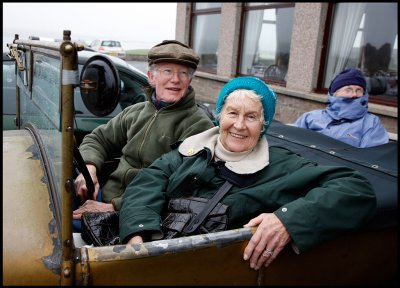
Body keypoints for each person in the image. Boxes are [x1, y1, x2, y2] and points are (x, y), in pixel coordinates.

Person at [119, 76, 377, 270]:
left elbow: (356, 189)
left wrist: (287, 220)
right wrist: (137, 236)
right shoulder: (192, 149)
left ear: (263, 124)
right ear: (219, 115)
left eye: (251, 116)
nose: (239, 125)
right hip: (157, 256)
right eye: (232, 113)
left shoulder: (282, 165)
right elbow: (146, 183)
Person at [73, 40, 215, 230]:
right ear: (151, 77)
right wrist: (89, 168)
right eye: (167, 71)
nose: (176, 79)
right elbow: (98, 139)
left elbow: (178, 187)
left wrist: (112, 207)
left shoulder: (198, 125)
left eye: (183, 73)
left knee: (63, 230)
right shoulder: (136, 112)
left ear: (189, 80)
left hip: (141, 213)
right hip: (105, 194)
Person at [293, 68, 389, 148]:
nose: (354, 95)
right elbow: (291, 142)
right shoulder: (310, 117)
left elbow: (371, 160)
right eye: (348, 90)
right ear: (334, 93)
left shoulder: (371, 123)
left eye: (359, 90)